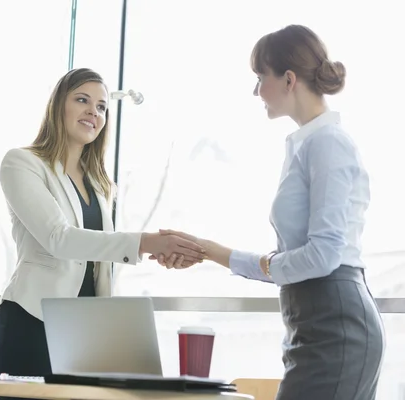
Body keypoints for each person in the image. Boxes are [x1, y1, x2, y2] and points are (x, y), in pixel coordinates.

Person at [154, 25, 384, 399]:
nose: (258, 90)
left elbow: (323, 256)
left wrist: (263, 264)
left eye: (261, 78)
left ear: (289, 79)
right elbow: (298, 260)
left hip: (336, 329)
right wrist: (209, 250)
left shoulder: (328, 144)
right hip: (314, 325)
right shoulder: (305, 144)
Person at [0, 68, 205, 398]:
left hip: (86, 329)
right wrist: (144, 243)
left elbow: (101, 259)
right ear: (57, 106)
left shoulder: (100, 184)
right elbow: (58, 238)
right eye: (82, 100)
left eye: (103, 106)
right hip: (33, 321)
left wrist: (158, 250)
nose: (94, 111)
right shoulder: (22, 163)